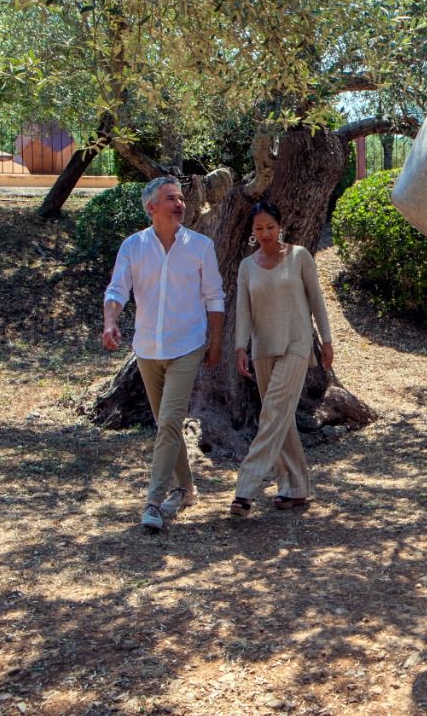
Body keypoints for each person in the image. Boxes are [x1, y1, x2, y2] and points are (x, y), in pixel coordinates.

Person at [102, 175, 225, 531]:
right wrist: (110, 321)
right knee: (165, 424)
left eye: (181, 198)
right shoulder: (133, 246)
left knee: (170, 421)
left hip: (187, 345)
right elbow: (117, 288)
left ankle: (153, 501)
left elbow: (214, 296)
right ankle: (186, 489)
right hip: (147, 349)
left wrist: (215, 341)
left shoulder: (200, 246)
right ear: (151, 208)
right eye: (170, 198)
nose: (179, 203)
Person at [230, 200, 334, 516]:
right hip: (263, 349)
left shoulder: (299, 257)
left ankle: (245, 490)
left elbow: (316, 299)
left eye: (270, 227)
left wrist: (326, 340)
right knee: (281, 418)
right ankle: (297, 488)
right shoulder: (247, 267)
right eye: (259, 229)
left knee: (273, 411)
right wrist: (240, 347)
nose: (265, 234)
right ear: (252, 232)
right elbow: (243, 311)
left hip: (297, 344)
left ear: (280, 226)